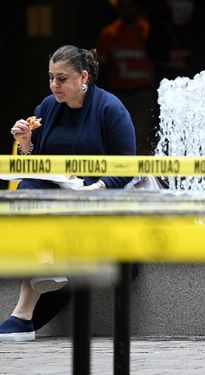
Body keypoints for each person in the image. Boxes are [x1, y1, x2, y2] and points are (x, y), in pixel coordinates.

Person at [0, 45, 136, 341]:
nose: (54, 85)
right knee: (27, 190)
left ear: (83, 77)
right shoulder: (47, 108)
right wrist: (25, 144)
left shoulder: (110, 108)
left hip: (98, 194)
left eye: (62, 79)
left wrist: (96, 187)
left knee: (57, 207)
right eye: (50, 78)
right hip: (58, 193)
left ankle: (23, 315)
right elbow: (36, 167)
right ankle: (46, 266)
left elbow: (128, 165)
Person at [97, 0, 155, 155]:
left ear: (137, 7)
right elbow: (99, 66)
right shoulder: (109, 34)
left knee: (141, 132)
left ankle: (139, 173)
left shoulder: (148, 31)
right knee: (116, 131)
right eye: (124, 6)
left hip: (143, 92)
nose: (128, 10)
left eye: (131, 5)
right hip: (118, 92)